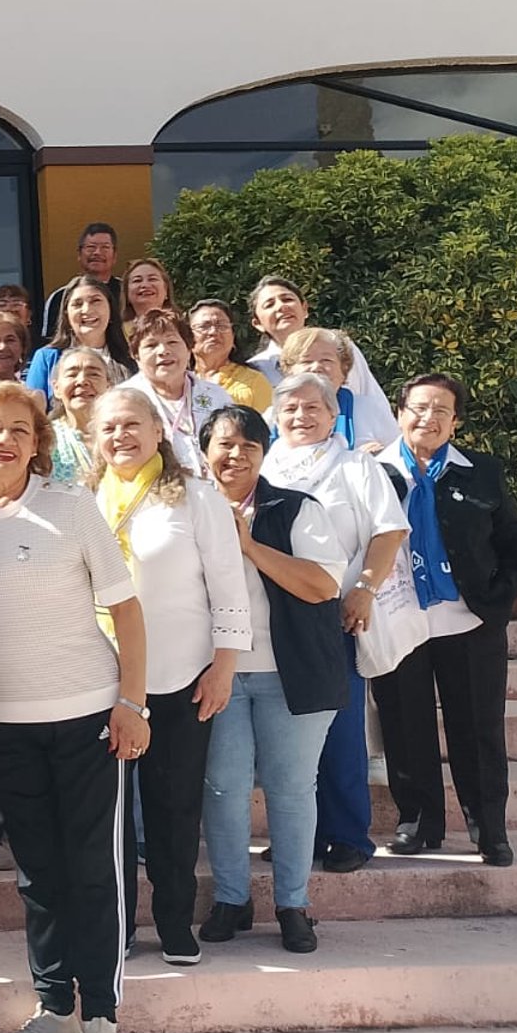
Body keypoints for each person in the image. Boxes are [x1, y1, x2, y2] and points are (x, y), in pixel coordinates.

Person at [0, 382, 147, 1033]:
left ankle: (101, 1020)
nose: (2, 440)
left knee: (93, 873)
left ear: (39, 442)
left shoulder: (71, 508)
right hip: (2, 726)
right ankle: (54, 1006)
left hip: (89, 721)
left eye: (17, 429)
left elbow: (126, 611)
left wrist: (133, 702)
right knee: (38, 876)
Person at [90, 387, 249, 966]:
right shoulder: (81, 500)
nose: (121, 437)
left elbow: (229, 587)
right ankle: (118, 926)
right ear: (93, 440)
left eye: (133, 424)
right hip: (98, 679)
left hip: (179, 676)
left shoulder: (197, 498)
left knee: (174, 805)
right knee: (105, 817)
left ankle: (175, 920)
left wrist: (224, 665)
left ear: (159, 432)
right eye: (108, 428)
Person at [198, 405, 347, 953]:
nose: (234, 455)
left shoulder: (295, 508)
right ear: (205, 449)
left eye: (248, 447)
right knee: (222, 789)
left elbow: (321, 586)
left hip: (292, 674)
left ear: (264, 455)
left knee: (289, 791)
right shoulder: (187, 507)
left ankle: (292, 903)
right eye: (224, 444)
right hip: (217, 676)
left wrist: (251, 547)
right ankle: (232, 899)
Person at [374, 374, 517, 867]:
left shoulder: (481, 471)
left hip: (468, 619)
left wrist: (501, 597)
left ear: (455, 421)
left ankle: (489, 828)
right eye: (419, 408)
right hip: (400, 617)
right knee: (404, 724)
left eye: (442, 410)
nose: (429, 418)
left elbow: (513, 538)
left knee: (478, 728)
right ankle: (418, 822)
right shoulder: (373, 472)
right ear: (400, 414)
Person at [260, 372, 409, 874]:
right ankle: (297, 836)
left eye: (312, 408)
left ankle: (347, 835)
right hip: (271, 617)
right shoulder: (263, 462)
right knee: (286, 737)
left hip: (333, 614)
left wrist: (364, 588)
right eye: (291, 409)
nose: (301, 417)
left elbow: (388, 532)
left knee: (339, 732)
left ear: (331, 414)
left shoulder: (355, 466)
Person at [246, 277, 398, 448]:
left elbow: (373, 400)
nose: (282, 306)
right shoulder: (254, 370)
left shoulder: (341, 348)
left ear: (305, 308)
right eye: (269, 304)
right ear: (257, 323)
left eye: (287, 299)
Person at [119, 308, 231, 477]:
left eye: (172, 342)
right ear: (136, 356)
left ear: (188, 349)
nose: (163, 351)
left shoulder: (217, 396)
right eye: (151, 345)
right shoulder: (123, 400)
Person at [26, 274, 133, 398]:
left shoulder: (131, 358)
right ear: (66, 314)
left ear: (110, 309)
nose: (87, 310)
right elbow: (32, 411)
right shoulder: (47, 358)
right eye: (77, 304)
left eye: (95, 301)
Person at [278, 327, 376, 451]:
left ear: (344, 369)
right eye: (306, 361)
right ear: (289, 372)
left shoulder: (369, 409)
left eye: (326, 360)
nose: (316, 367)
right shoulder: (273, 415)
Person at [188, 299, 273, 412]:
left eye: (222, 326)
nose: (213, 332)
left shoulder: (254, 381)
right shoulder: (180, 381)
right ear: (187, 337)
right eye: (204, 326)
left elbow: (268, 426)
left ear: (233, 337)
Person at [40, 223, 120, 339]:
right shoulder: (60, 297)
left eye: (105, 247)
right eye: (91, 247)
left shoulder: (127, 291)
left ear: (115, 256)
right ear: (79, 254)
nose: (97, 252)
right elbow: (51, 340)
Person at [48, 347, 114, 486]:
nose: (82, 381)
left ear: (109, 386)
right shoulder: (45, 439)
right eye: (72, 375)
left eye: (93, 374)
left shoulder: (123, 435)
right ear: (57, 388)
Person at [122, 258, 174, 323]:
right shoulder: (115, 331)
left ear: (166, 290)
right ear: (127, 293)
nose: (145, 285)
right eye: (137, 280)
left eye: (152, 279)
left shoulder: (182, 329)